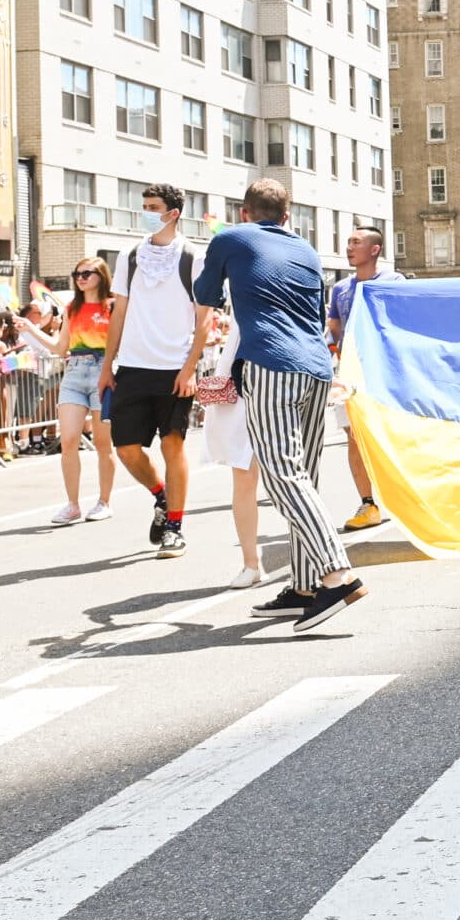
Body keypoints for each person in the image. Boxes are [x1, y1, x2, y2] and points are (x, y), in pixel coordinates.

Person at [195, 178, 367, 633]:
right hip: (315, 367)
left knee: (282, 474)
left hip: (271, 364)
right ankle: (306, 586)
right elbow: (315, 316)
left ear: (244, 212)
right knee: (304, 476)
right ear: (287, 217)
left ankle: (337, 574)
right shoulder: (307, 251)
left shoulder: (230, 238)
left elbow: (204, 295)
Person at [100, 184, 208, 559]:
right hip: (132, 365)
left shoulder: (193, 257)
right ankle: (161, 497)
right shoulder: (129, 255)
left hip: (175, 369)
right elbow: (119, 313)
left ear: (173, 213)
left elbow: (204, 320)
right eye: (143, 206)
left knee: (172, 444)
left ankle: (175, 527)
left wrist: (190, 368)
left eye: (153, 207)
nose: (146, 212)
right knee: (127, 449)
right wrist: (107, 365)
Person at [18, 262, 117, 522]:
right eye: (77, 274)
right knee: (69, 440)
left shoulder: (114, 306)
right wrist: (31, 329)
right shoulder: (72, 309)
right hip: (74, 372)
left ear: (101, 276)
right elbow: (60, 348)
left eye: (87, 274)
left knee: (102, 443)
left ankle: (104, 501)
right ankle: (73, 504)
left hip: (103, 371)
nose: (81, 279)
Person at [328, 225, 406, 533]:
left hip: (387, 371)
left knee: (391, 436)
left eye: (356, 242)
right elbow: (333, 323)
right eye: (347, 242)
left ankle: (405, 497)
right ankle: (368, 503)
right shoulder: (340, 289)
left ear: (375, 249)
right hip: (351, 373)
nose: (349, 247)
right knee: (354, 437)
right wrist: (337, 349)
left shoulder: (393, 282)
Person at [198, 309, 263, 589]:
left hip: (283, 376)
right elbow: (205, 291)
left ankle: (308, 564)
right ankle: (251, 563)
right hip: (240, 381)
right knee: (244, 474)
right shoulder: (236, 270)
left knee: (291, 477)